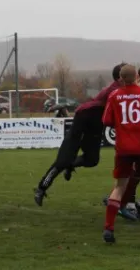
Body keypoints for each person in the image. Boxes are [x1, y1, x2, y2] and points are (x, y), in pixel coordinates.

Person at [34, 63, 126, 206]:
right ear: (120, 78)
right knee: (63, 159)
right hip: (84, 117)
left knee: (92, 160)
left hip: (96, 124)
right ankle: (41, 188)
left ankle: (71, 165)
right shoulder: (116, 90)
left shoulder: (124, 89)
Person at [101, 65, 140, 246]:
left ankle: (109, 228)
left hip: (123, 149)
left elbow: (106, 120)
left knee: (119, 188)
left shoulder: (114, 95)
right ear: (136, 76)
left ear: (120, 78)